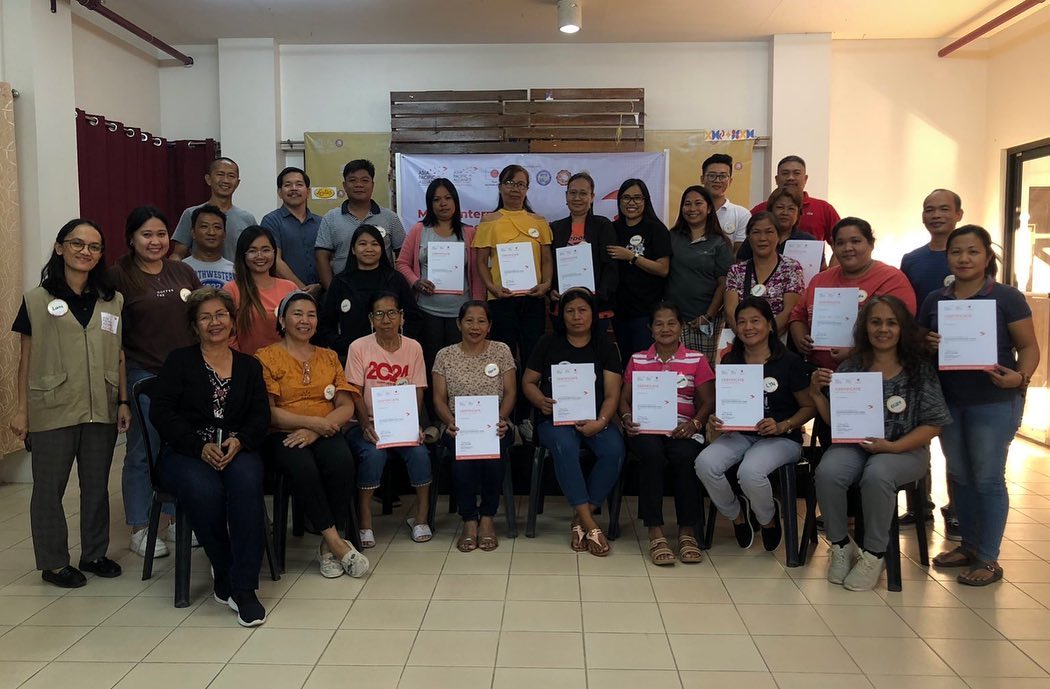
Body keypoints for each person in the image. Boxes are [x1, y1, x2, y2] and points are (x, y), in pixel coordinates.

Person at [9, 219, 131, 588]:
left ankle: (94, 553)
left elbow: (120, 353)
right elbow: (25, 359)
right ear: (60, 247)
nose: (85, 252)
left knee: (96, 486)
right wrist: (21, 409)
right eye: (77, 243)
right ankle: (54, 562)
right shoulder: (37, 298)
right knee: (49, 489)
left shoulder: (113, 299)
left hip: (102, 404)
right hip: (52, 404)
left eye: (94, 247)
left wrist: (123, 399)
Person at [922, 225, 1039, 586]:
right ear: (948, 257)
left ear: (987, 257)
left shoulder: (1006, 297)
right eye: (957, 252)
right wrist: (926, 343)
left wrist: (1019, 378)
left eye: (972, 251)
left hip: (994, 399)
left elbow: (1030, 348)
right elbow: (921, 349)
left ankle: (988, 559)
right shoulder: (935, 299)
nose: (963, 258)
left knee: (988, 478)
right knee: (959, 475)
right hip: (949, 401)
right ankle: (968, 546)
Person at [811, 296, 951, 591]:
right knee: (828, 471)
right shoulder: (851, 366)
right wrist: (815, 394)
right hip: (854, 446)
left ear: (903, 328)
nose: (883, 329)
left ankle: (874, 554)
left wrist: (893, 447)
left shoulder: (919, 369)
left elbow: (934, 424)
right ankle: (839, 545)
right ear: (865, 327)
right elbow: (838, 421)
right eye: (876, 322)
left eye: (891, 322)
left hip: (905, 449)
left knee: (878, 473)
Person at [151, 288, 271, 627]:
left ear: (232, 322)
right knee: (205, 489)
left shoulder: (249, 366)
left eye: (220, 315)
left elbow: (260, 416)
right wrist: (196, 445)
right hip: (186, 452)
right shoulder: (179, 361)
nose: (214, 322)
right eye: (205, 317)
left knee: (247, 483)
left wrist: (240, 440)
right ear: (194, 326)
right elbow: (161, 412)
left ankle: (244, 588)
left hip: (236, 448)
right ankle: (226, 569)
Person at [109, 206, 203, 558]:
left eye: (161, 234)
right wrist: (120, 395)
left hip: (185, 376)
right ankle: (140, 526)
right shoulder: (118, 277)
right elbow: (112, 338)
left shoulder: (183, 271)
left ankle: (174, 517)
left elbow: (200, 319)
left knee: (179, 447)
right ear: (132, 239)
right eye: (147, 234)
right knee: (142, 451)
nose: (155, 241)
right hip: (143, 375)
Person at [255, 291, 369, 579]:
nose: (305, 321)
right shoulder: (265, 358)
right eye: (297, 314)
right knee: (302, 466)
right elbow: (269, 412)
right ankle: (335, 542)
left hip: (323, 429)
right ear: (282, 320)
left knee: (342, 460)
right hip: (281, 434)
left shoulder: (329, 356)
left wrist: (318, 429)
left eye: (311, 315)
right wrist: (311, 424)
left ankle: (325, 547)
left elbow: (344, 405)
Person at [696, 298, 814, 551]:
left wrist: (784, 425)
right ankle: (738, 516)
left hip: (781, 438)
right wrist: (717, 417)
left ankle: (769, 519)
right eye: (741, 322)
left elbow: (809, 407)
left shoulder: (789, 362)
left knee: (749, 472)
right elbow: (723, 403)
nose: (748, 327)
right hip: (740, 434)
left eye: (755, 321)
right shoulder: (730, 361)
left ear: (770, 325)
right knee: (705, 463)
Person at [522, 288, 624, 556]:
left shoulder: (605, 346)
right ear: (561, 315)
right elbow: (528, 382)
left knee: (614, 449)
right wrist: (539, 400)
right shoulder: (548, 343)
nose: (576, 317)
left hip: (594, 419)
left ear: (593, 313)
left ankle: (581, 517)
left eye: (582, 310)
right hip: (554, 420)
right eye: (570, 311)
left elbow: (613, 393)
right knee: (565, 447)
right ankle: (590, 523)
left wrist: (601, 422)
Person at [619, 302, 714, 565]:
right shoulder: (638, 359)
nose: (665, 328)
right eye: (659, 323)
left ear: (681, 327)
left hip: (683, 428)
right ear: (650, 329)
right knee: (651, 455)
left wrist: (694, 424)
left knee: (685, 457)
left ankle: (687, 530)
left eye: (671, 323)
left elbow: (708, 402)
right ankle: (655, 530)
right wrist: (626, 418)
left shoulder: (696, 359)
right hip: (646, 429)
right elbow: (623, 399)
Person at [344, 291, 432, 546]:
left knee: (419, 453)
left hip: (401, 423)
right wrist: (365, 425)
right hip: (366, 423)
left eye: (392, 313)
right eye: (379, 314)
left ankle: (422, 517)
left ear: (401, 316)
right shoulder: (359, 347)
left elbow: (418, 390)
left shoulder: (413, 347)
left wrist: (412, 424)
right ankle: (365, 520)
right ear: (371, 318)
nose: (386, 320)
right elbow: (355, 394)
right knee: (373, 454)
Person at [898, 189, 964, 529]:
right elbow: (907, 310)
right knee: (916, 431)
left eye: (943, 209)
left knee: (954, 440)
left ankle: (956, 509)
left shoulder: (973, 254)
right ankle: (918, 504)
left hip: (963, 363)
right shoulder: (912, 259)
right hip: (921, 358)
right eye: (929, 210)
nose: (935, 215)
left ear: (958, 213)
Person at [395, 178, 485, 423]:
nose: (443, 204)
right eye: (436, 199)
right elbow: (401, 263)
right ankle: (435, 421)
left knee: (461, 368)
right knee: (433, 367)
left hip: (461, 316)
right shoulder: (418, 231)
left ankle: (462, 419)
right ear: (429, 204)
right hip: (427, 312)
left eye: (447, 198)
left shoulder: (469, 232)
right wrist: (415, 281)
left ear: (455, 201)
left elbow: (477, 274)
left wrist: (477, 311)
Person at [431, 301, 517, 552]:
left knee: (494, 453)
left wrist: (501, 419)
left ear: (489, 326)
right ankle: (469, 520)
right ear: (459, 324)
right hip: (456, 425)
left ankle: (487, 518)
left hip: (497, 423)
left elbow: (511, 392)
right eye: (469, 320)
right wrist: (450, 421)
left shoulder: (501, 351)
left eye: (481, 321)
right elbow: (438, 399)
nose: (475, 326)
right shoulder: (445, 355)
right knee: (463, 455)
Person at [789, 217, 917, 375]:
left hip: (873, 375)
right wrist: (800, 338)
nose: (847, 248)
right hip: (819, 374)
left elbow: (902, 328)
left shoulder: (892, 279)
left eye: (855, 241)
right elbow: (797, 315)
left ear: (871, 244)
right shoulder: (820, 279)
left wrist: (855, 352)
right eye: (840, 243)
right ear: (834, 247)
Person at [473, 165, 554, 389]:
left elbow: (546, 260)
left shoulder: (539, 221)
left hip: (533, 299)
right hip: (501, 299)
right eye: (509, 183)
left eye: (520, 184)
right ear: (500, 187)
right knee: (504, 358)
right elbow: (481, 262)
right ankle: (506, 415)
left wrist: (546, 285)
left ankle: (529, 416)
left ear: (527, 189)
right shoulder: (489, 221)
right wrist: (493, 288)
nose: (515, 189)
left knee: (532, 357)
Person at [319, 224, 421, 364]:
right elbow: (325, 323)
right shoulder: (340, 282)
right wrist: (342, 345)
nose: (369, 249)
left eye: (375, 244)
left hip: (393, 357)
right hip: (352, 357)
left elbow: (414, 318)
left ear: (382, 249)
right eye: (362, 244)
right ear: (353, 250)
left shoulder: (395, 279)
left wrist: (401, 343)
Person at [666, 185, 734, 364]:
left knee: (702, 372)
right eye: (687, 204)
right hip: (674, 319)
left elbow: (724, 283)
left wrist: (708, 316)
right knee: (674, 370)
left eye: (698, 203)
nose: (692, 209)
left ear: (709, 208)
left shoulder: (719, 242)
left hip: (705, 319)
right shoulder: (671, 237)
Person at [607, 178, 671, 364]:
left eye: (637, 198)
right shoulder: (612, 228)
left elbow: (663, 269)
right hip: (619, 310)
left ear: (645, 201)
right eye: (626, 198)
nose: (631, 203)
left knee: (646, 362)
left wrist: (632, 257)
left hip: (646, 311)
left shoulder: (656, 229)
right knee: (627, 362)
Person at [315, 159, 405, 290]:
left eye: (364, 180)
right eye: (352, 180)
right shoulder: (331, 218)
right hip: (343, 290)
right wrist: (332, 292)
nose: (359, 185)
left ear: (372, 185)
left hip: (383, 291)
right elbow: (321, 257)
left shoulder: (390, 218)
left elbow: (402, 257)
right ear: (344, 185)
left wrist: (398, 288)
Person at [549, 172, 619, 322]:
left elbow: (611, 267)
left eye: (583, 193)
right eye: (573, 193)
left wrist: (597, 296)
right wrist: (551, 290)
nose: (577, 198)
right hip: (562, 307)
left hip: (596, 308)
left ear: (592, 197)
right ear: (566, 196)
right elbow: (549, 265)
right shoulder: (555, 228)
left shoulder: (603, 225)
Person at [724, 212, 805, 337]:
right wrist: (748, 337)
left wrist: (763, 339)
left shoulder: (791, 268)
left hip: (778, 342)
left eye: (769, 232)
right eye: (756, 232)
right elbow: (730, 311)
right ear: (749, 237)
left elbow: (790, 309)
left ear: (778, 236)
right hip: (743, 341)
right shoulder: (736, 271)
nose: (762, 238)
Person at [222, 226, 298, 356]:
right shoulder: (232, 290)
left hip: (288, 367)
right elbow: (228, 336)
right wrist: (243, 364)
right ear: (243, 255)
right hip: (248, 366)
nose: (260, 256)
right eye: (252, 251)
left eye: (266, 250)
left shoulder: (290, 288)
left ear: (274, 252)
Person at [171, 157, 257, 260]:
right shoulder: (191, 213)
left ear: (237, 183)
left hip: (237, 276)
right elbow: (178, 254)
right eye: (220, 174)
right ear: (208, 179)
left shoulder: (247, 219)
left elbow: (255, 254)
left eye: (231, 176)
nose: (225, 180)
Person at [260, 166, 324, 295]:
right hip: (285, 295)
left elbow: (329, 259)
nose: (294, 188)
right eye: (288, 185)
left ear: (308, 191)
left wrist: (320, 285)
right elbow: (275, 260)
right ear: (279, 192)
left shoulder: (321, 222)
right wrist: (302, 291)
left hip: (322, 294)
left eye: (299, 184)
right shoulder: (271, 221)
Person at [750, 155, 840, 243]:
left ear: (805, 179)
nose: (790, 178)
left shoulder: (824, 209)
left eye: (796, 173)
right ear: (777, 179)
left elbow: (840, 242)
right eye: (785, 173)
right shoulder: (760, 210)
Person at [736, 187, 820, 261]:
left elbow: (822, 272)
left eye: (791, 209)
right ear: (770, 210)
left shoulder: (808, 241)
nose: (785, 213)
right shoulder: (757, 238)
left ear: (798, 213)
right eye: (780, 207)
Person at [701, 153, 752, 250]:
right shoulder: (692, 211)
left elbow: (739, 253)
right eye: (712, 175)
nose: (717, 180)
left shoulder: (742, 214)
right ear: (702, 179)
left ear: (730, 181)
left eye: (723, 176)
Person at [182, 204, 235, 289]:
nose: (211, 232)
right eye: (204, 226)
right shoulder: (181, 269)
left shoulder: (234, 271)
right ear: (193, 233)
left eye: (217, 227)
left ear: (224, 235)